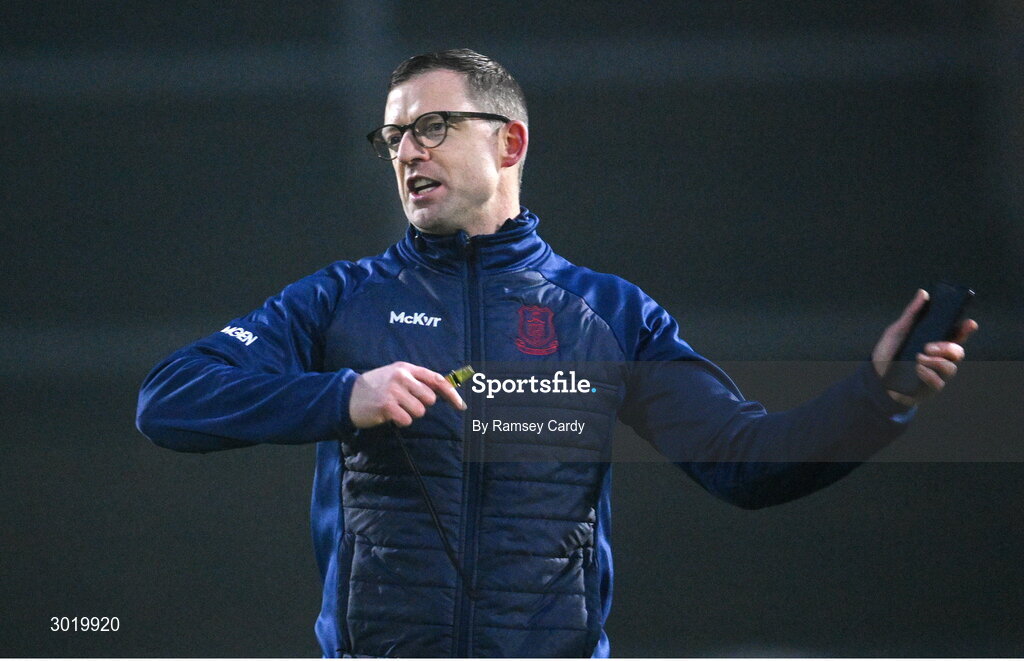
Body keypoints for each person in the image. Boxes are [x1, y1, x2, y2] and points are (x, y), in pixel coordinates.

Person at [136, 49, 977, 658]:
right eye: (391, 137)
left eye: (431, 126)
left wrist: (879, 398)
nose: (406, 152)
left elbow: (744, 461)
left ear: (510, 143)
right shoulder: (339, 298)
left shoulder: (608, 313)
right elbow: (170, 399)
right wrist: (340, 394)